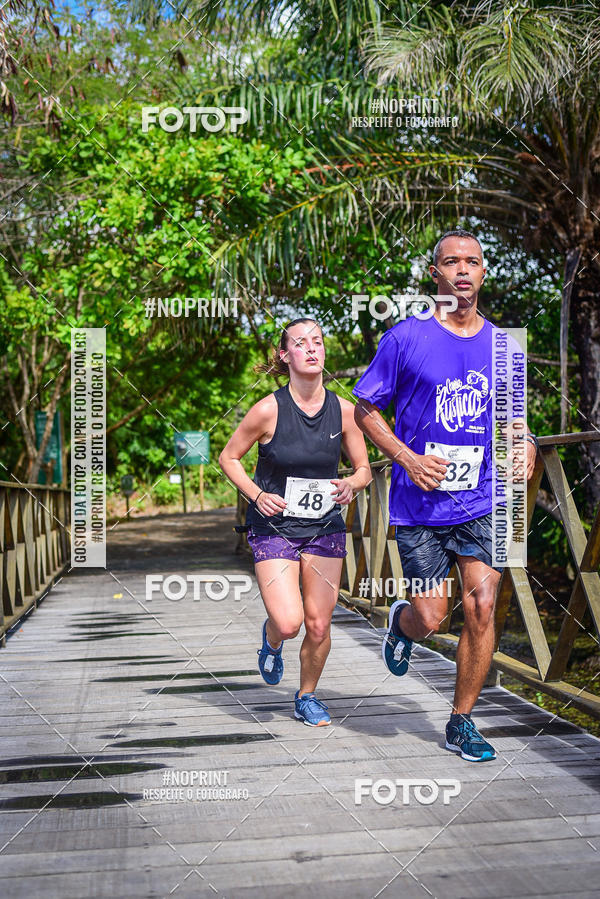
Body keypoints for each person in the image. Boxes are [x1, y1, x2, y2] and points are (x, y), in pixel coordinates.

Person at [353, 230, 538, 761]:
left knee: (482, 605)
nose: (462, 270)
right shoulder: (405, 338)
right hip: (421, 503)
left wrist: (523, 442)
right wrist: (407, 457)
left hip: (485, 499)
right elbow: (366, 409)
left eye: (472, 262)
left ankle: (461, 721)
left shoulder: (505, 345)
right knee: (433, 615)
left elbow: (511, 417)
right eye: (451, 262)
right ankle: (402, 623)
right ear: (434, 274)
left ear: (483, 273)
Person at [219, 318, 371, 726]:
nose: (311, 349)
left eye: (317, 342)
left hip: (324, 527)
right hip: (275, 528)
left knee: (319, 624)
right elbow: (228, 458)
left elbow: (364, 469)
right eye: (300, 344)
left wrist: (350, 484)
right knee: (289, 622)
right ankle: (271, 642)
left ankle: (306, 697)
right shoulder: (268, 409)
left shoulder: (344, 412)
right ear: (285, 356)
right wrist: (257, 494)